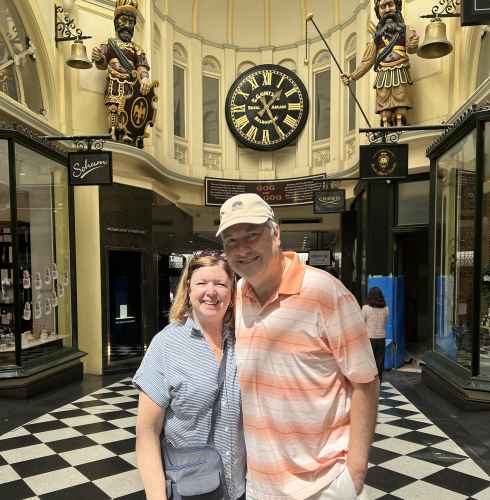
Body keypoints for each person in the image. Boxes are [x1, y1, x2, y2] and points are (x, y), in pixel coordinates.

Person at [217, 193, 379, 500]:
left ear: (275, 234)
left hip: (324, 484)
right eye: (231, 241)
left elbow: (365, 382)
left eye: (252, 235)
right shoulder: (237, 296)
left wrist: (355, 471)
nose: (242, 249)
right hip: (260, 485)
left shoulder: (325, 292)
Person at [133, 252, 246, 500]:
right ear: (188, 288)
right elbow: (147, 431)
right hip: (191, 490)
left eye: (220, 284)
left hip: (241, 489)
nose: (211, 291)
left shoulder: (243, 341)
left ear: (232, 291)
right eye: (202, 283)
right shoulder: (166, 344)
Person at [341, 0, 419, 127]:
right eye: (383, 6)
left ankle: (400, 128)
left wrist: (413, 42)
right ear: (378, 11)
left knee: (401, 110)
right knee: (385, 114)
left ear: (397, 7)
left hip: (400, 71)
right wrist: (352, 76)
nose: (387, 10)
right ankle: (386, 132)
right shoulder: (376, 38)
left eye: (390, 5)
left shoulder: (405, 30)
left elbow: (411, 49)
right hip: (383, 75)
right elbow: (367, 61)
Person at [91, 0, 152, 142]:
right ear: (116, 22)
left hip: (130, 84)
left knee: (129, 109)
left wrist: (144, 78)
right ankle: (112, 130)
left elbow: (142, 66)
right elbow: (102, 64)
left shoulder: (137, 49)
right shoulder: (110, 45)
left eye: (131, 22)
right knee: (114, 107)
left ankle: (127, 132)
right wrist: (98, 57)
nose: (128, 26)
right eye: (124, 20)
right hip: (114, 81)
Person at [362, 287, 389, 381]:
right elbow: (385, 322)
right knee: (379, 362)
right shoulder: (386, 309)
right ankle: (378, 381)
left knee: (369, 362)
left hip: (369, 338)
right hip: (381, 338)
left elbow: (361, 323)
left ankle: (369, 381)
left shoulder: (365, 308)